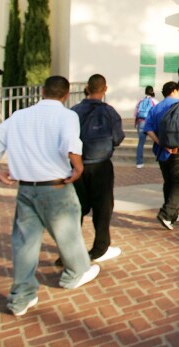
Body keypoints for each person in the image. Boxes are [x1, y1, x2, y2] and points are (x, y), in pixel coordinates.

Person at [0, 75, 101, 317]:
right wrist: (78, 167)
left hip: (26, 188)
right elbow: (71, 146)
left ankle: (21, 297)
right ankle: (75, 273)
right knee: (68, 233)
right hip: (55, 186)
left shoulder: (20, 115)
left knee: (24, 243)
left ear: (42, 91)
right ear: (66, 95)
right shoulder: (67, 116)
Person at [70, 74, 125, 263]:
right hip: (101, 165)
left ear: (87, 88)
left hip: (77, 165)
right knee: (103, 208)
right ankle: (101, 247)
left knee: (77, 207)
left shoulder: (74, 111)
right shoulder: (109, 112)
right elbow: (118, 137)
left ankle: (71, 249)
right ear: (105, 89)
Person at [143, 81, 179, 230]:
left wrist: (161, 143)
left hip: (161, 151)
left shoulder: (156, 107)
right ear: (176, 90)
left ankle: (173, 215)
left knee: (169, 182)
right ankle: (166, 213)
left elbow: (148, 129)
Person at [134, 86, 156, 168]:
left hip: (141, 123)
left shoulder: (140, 101)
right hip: (150, 124)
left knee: (141, 143)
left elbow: (135, 113)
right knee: (156, 141)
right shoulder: (154, 101)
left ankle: (139, 163)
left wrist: (136, 123)